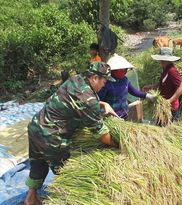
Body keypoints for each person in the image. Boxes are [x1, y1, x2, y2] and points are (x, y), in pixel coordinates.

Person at [24, 61, 119, 205]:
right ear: (94, 78)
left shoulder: (75, 80)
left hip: (36, 127)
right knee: (69, 173)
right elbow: (100, 133)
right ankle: (63, 200)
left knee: (39, 163)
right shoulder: (87, 99)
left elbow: (77, 99)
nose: (104, 85)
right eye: (104, 81)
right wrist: (117, 144)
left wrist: (103, 103)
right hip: (51, 136)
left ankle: (30, 199)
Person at [97, 54, 156, 120]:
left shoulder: (125, 80)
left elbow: (134, 91)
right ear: (112, 70)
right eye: (119, 70)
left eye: (124, 70)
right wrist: (107, 115)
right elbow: (99, 101)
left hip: (125, 113)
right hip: (111, 116)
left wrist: (147, 96)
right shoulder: (105, 83)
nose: (122, 72)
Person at [142, 47, 182, 122]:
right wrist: (151, 87)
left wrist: (169, 101)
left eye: (165, 59)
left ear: (169, 60)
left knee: (170, 129)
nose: (162, 61)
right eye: (161, 59)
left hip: (171, 107)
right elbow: (162, 83)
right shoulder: (164, 69)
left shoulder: (172, 71)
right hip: (164, 105)